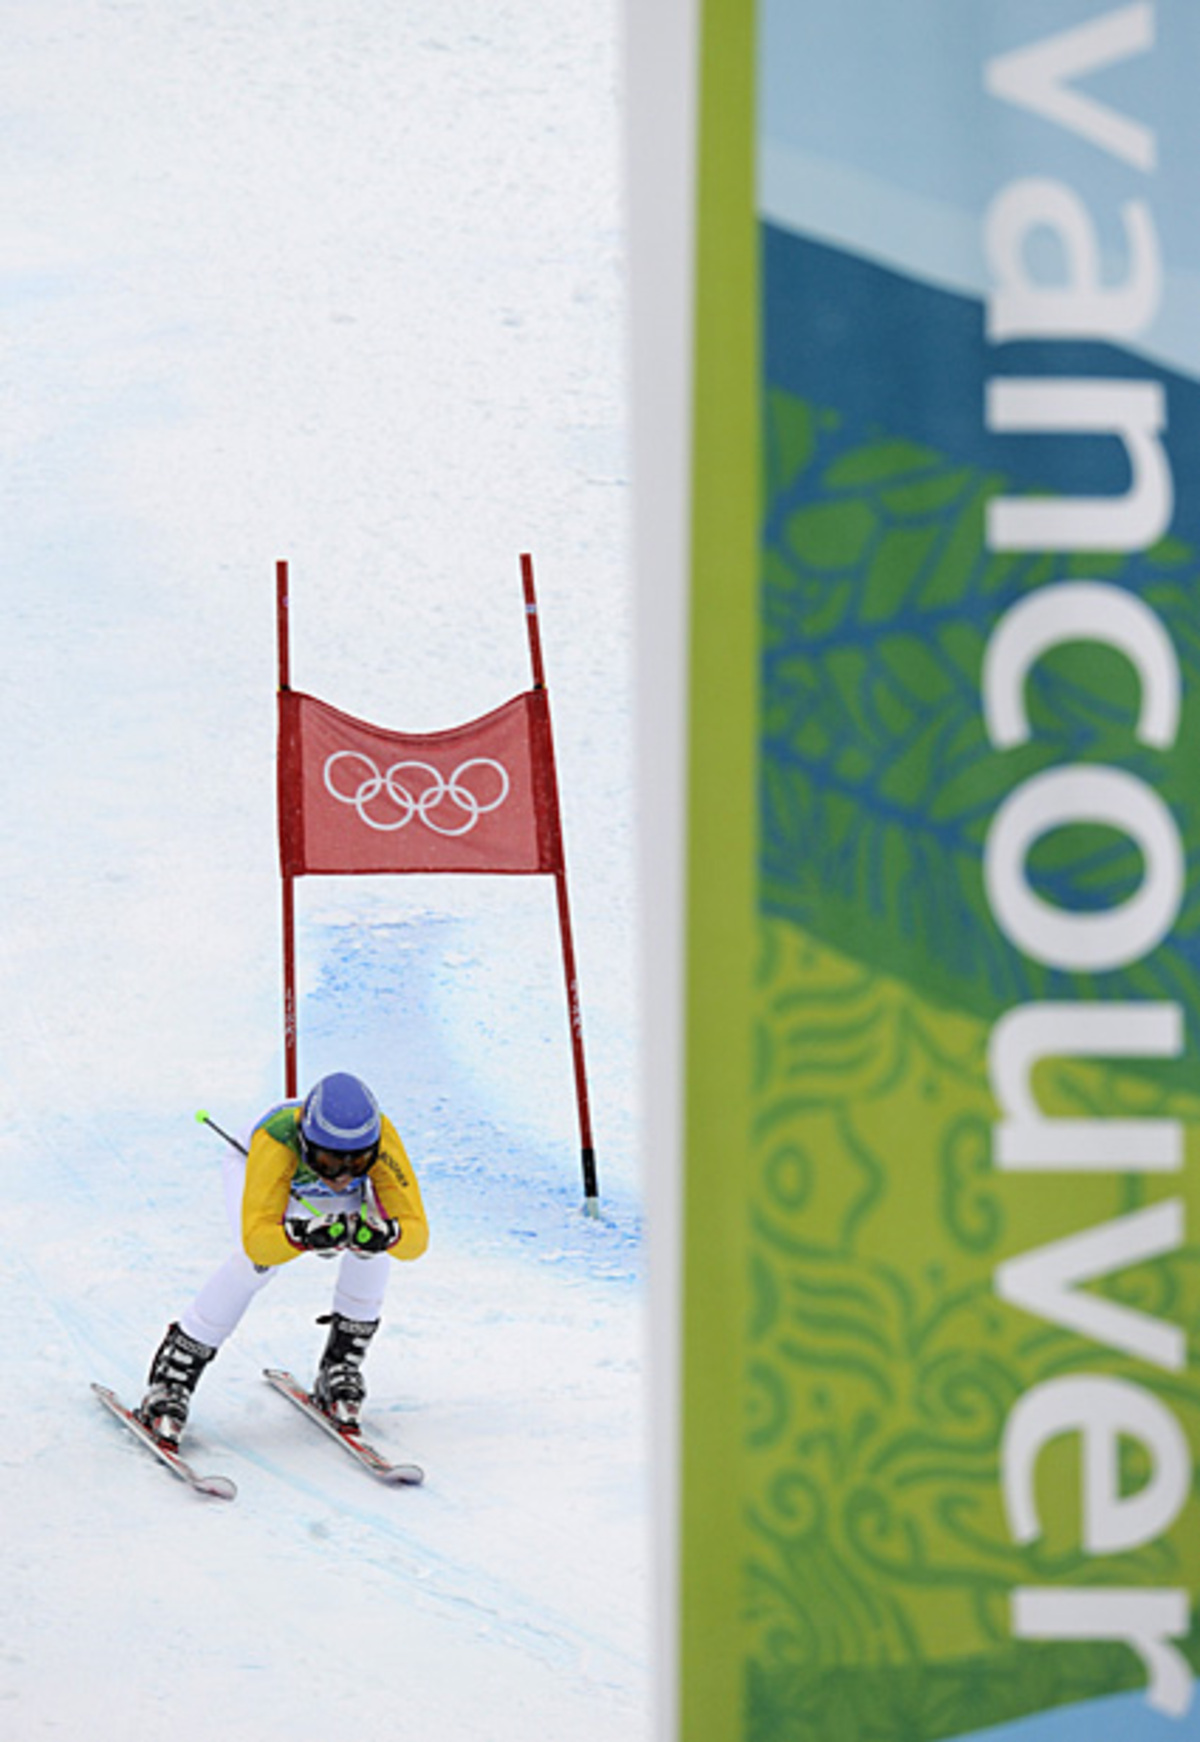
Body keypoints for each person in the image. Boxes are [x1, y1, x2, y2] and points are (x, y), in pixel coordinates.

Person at [137, 1070, 429, 1445]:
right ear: (307, 1145)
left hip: (317, 1185)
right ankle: (173, 1377)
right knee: (255, 1265)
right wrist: (301, 1235)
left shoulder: (383, 1140)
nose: (341, 1176)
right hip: (266, 1173)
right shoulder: (274, 1141)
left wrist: (387, 1235)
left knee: (371, 1246)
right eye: (328, 1161)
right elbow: (259, 1242)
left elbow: (416, 1239)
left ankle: (340, 1365)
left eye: (358, 1164)